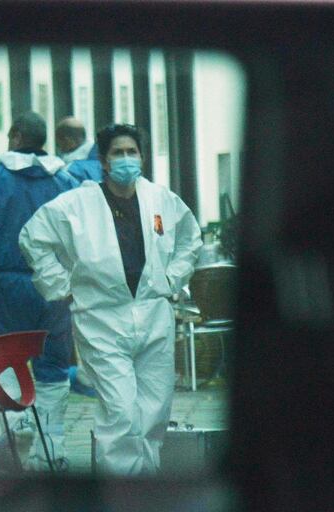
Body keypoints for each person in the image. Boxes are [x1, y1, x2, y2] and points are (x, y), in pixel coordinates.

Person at [19, 124, 202, 476]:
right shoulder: (76, 204)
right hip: (101, 317)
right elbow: (33, 238)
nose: (126, 159)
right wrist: (59, 284)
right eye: (118, 153)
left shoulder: (161, 200)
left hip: (153, 314)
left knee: (154, 412)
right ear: (102, 161)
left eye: (132, 152)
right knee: (120, 412)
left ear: (143, 157)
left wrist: (171, 278)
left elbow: (190, 240)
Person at [0, 112, 78, 471]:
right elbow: (77, 239)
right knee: (54, 369)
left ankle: (17, 424)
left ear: (15, 135)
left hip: (7, 286)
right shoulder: (66, 180)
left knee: (3, 362)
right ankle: (51, 449)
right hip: (54, 287)